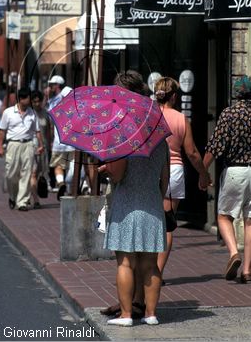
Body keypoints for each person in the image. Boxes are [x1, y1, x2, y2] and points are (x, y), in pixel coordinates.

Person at [99, 70, 170, 327]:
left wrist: (108, 167)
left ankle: (127, 315)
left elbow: (118, 176)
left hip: (127, 203)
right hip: (152, 202)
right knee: (151, 264)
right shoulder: (157, 131)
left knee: (126, 262)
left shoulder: (121, 132)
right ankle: (151, 313)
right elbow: (165, 178)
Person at [203, 75, 251, 284]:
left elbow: (216, 145)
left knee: (224, 216)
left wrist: (203, 171)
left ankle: (233, 253)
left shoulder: (229, 114)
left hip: (235, 171)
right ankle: (247, 271)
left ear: (236, 92)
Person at [153, 77, 211, 280]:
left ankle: (145, 268)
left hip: (151, 170)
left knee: (149, 221)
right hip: (173, 169)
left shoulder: (148, 116)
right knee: (167, 223)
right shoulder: (180, 119)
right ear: (174, 96)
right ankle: (157, 272)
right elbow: (192, 152)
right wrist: (203, 173)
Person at [0, 87, 44, 211]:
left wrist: (41, 144)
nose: (30, 101)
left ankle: (22, 202)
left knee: (26, 173)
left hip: (28, 145)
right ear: (21, 99)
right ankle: (12, 196)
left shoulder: (32, 113)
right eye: (28, 98)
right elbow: (2, 131)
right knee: (11, 174)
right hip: (13, 145)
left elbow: (37, 131)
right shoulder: (8, 112)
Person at [46, 75, 74, 201]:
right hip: (71, 141)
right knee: (70, 166)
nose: (49, 87)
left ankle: (62, 183)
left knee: (59, 165)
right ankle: (66, 186)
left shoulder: (62, 94)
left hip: (60, 141)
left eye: (51, 85)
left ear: (57, 85)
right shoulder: (57, 98)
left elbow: (51, 123)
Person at [30, 90, 52, 208]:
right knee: (32, 173)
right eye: (34, 102)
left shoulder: (45, 113)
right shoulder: (29, 114)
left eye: (38, 101)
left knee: (40, 173)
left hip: (44, 147)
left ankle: (29, 194)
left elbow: (48, 130)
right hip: (32, 147)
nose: (37, 104)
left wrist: (49, 144)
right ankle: (36, 199)